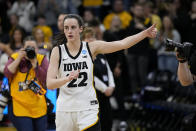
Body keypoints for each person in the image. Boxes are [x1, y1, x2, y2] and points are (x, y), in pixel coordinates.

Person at [47, 14, 157, 131]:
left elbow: (122, 44)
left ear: (81, 29)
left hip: (87, 109)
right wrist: (67, 79)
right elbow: (50, 83)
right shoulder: (57, 51)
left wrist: (144, 34)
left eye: (73, 27)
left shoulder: (91, 47)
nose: (69, 31)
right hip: (65, 109)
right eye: (66, 28)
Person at [4, 36, 49, 131]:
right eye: (28, 48)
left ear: (37, 49)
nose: (31, 50)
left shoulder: (42, 59)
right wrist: (19, 58)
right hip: (20, 106)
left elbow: (46, 80)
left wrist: (35, 64)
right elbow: (7, 73)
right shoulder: (15, 57)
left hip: (38, 106)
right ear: (22, 49)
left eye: (33, 48)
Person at [81, 27, 115, 131]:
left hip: (106, 95)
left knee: (108, 121)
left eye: (93, 37)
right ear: (82, 41)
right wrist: (105, 89)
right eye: (88, 38)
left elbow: (109, 72)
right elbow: (90, 76)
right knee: (98, 123)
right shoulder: (83, 57)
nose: (91, 40)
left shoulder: (101, 54)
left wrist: (112, 86)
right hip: (95, 95)